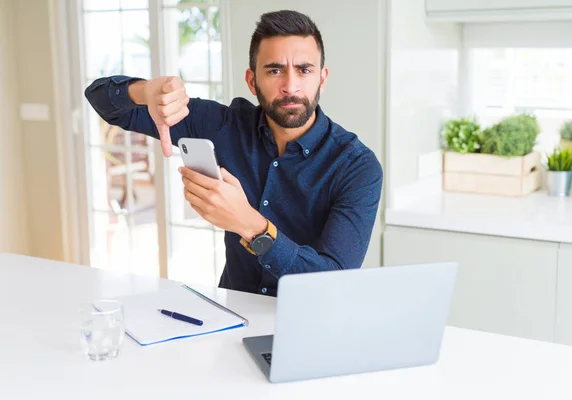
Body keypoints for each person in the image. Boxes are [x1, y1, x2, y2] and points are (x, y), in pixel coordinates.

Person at [85, 10, 383, 296]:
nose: (290, 86)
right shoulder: (225, 125)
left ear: (322, 78)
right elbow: (101, 99)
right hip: (232, 314)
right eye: (275, 70)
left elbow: (332, 280)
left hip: (310, 323)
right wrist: (146, 91)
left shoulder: (357, 167)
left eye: (304, 70)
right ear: (252, 81)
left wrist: (250, 225)